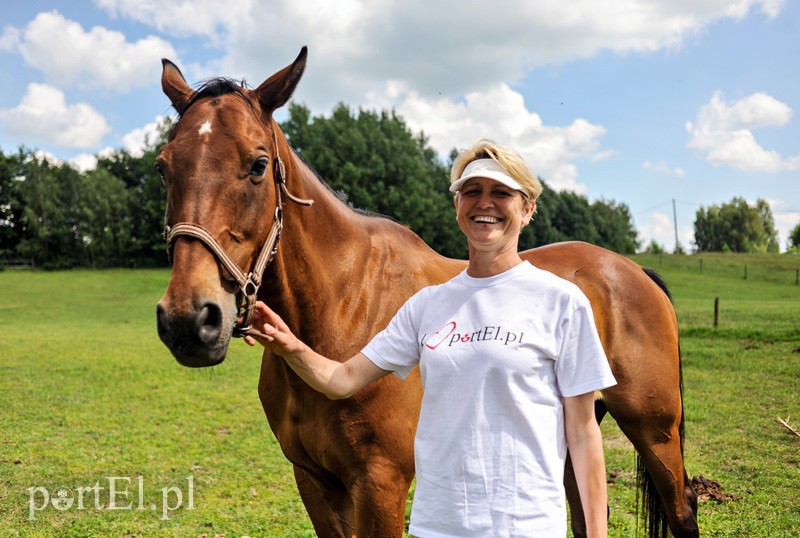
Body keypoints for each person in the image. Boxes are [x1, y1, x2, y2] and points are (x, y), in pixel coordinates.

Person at [244, 139, 617, 537]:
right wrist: (289, 345)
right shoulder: (428, 305)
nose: (484, 203)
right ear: (458, 205)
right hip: (438, 527)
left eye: (501, 193)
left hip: (524, 526)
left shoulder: (561, 302)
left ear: (527, 209)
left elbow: (583, 433)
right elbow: (342, 380)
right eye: (471, 192)